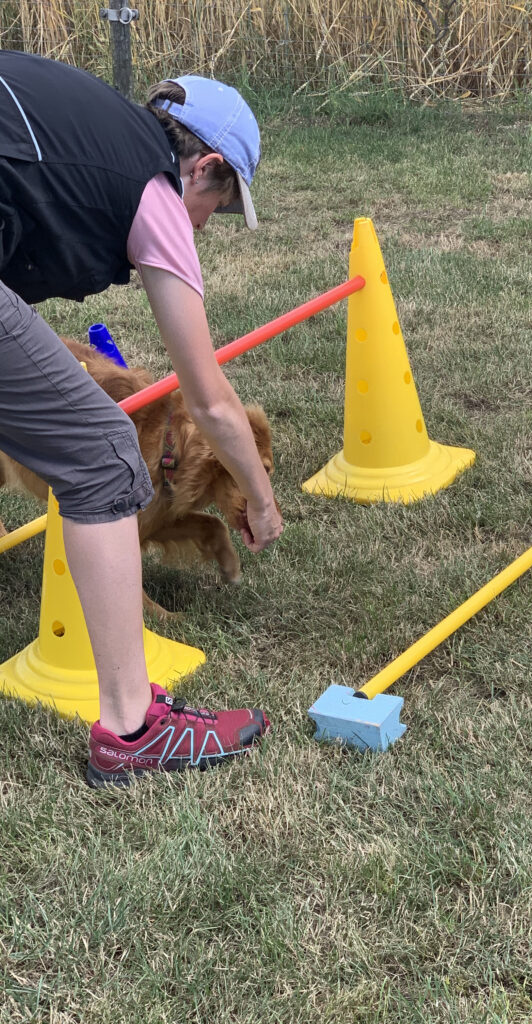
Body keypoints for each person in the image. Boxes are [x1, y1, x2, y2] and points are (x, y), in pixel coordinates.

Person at [0, 49, 283, 787]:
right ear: (203, 166)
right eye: (216, 208)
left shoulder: (90, 127)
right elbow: (211, 401)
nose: (204, 225)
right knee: (101, 450)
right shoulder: (152, 190)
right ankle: (132, 729)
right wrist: (260, 498)